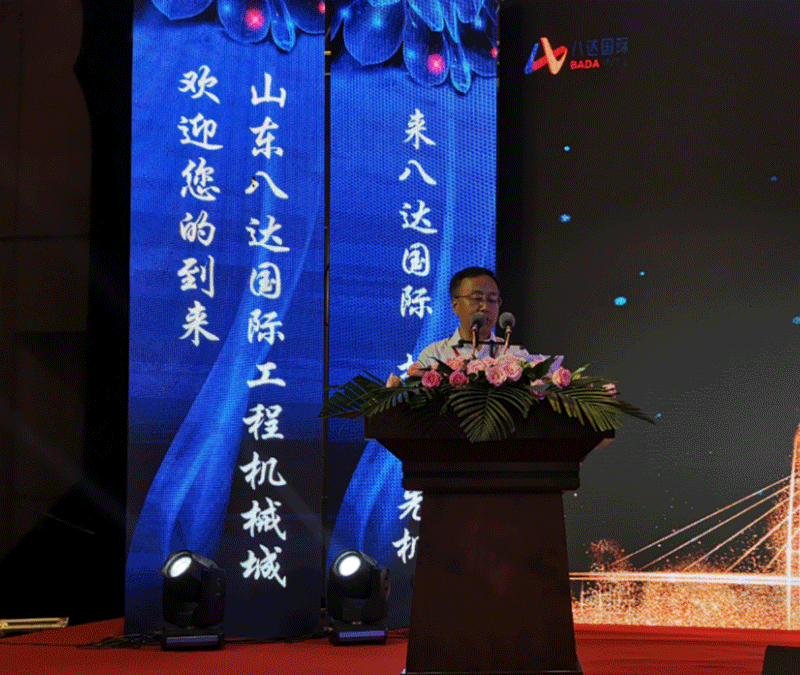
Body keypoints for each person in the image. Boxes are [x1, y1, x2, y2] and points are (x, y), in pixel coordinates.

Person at [387, 267, 552, 385]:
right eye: (477, 298)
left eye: (492, 299)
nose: (485, 307)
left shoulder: (515, 355)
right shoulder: (434, 354)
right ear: (455, 305)